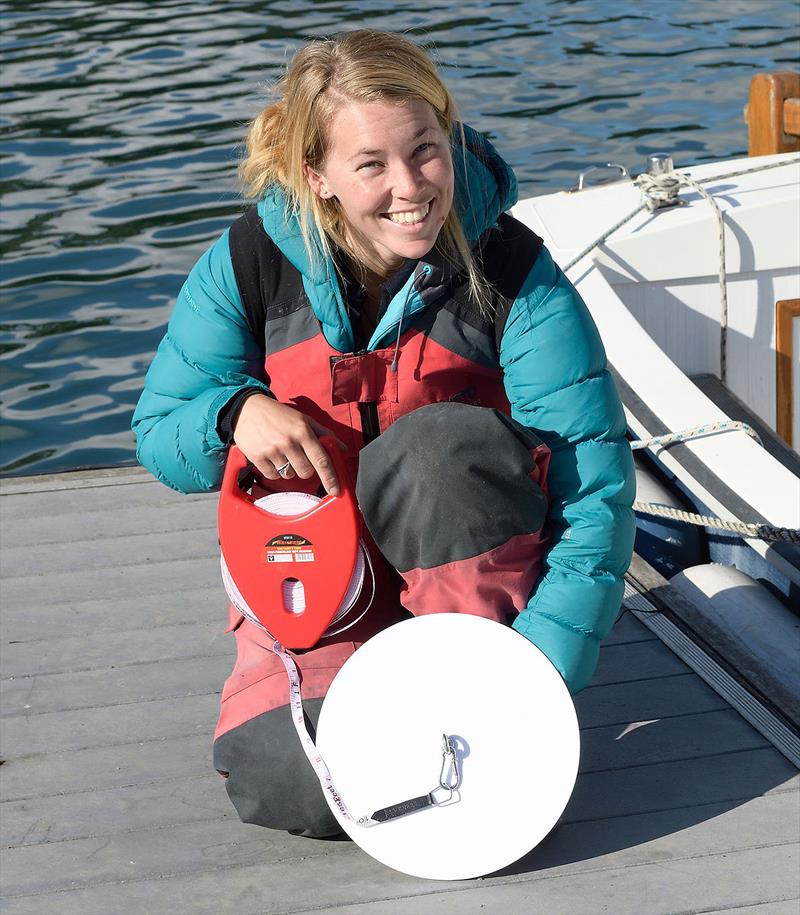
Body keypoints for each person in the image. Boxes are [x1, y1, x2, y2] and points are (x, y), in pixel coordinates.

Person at [132, 29, 635, 837]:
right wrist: (230, 413)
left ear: (448, 136)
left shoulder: (512, 269)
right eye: (371, 165)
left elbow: (596, 500)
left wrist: (534, 677)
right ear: (316, 176)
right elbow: (159, 434)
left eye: (425, 151)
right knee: (288, 788)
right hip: (319, 581)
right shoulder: (248, 263)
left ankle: (463, 670)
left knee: (438, 446)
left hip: (473, 590)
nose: (411, 188)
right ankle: (347, 673)